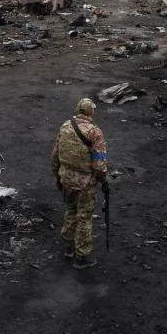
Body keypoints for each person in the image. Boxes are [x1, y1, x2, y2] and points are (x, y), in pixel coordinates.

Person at [51, 98, 108, 269]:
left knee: (70, 211)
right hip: (85, 185)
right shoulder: (95, 133)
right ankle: (81, 257)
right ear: (92, 112)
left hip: (67, 180)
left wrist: (57, 176)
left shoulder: (65, 126)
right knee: (84, 218)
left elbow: (55, 155)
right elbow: (99, 164)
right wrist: (102, 180)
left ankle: (68, 246)